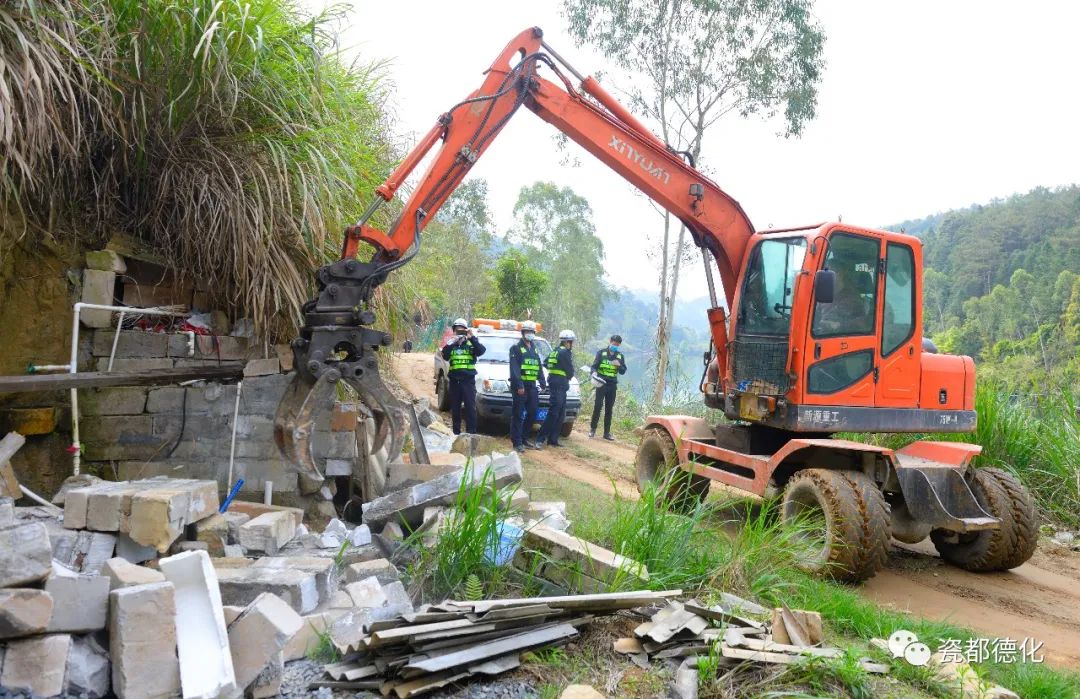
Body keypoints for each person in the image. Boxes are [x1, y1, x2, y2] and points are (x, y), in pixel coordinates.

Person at [440, 318, 485, 435]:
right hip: (455, 381)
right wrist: (453, 341)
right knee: (455, 409)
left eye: (462, 331)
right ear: (454, 331)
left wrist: (472, 337)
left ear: (466, 331)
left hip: (468, 381)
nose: (459, 333)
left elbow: (481, 351)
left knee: (470, 408)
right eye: (457, 331)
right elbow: (445, 355)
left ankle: (471, 434)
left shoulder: (471, 343)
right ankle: (456, 433)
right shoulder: (451, 343)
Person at [509, 320, 546, 453]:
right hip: (520, 387)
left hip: (532, 387)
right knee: (518, 414)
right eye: (527, 332)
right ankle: (517, 442)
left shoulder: (534, 347)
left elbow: (538, 366)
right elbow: (515, 369)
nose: (529, 334)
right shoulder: (516, 348)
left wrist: (542, 382)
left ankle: (524, 437)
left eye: (531, 332)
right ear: (523, 333)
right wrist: (519, 385)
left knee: (532, 412)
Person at [536, 329, 575, 448]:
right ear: (568, 342)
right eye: (572, 342)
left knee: (561, 413)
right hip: (559, 385)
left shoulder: (555, 351)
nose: (572, 344)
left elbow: (546, 363)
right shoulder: (565, 353)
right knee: (554, 413)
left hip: (557, 384)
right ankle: (540, 439)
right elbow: (570, 371)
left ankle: (553, 440)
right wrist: (565, 375)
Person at [590, 334, 627, 440]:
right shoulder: (601, 353)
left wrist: (619, 365)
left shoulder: (620, 356)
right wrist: (594, 373)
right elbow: (594, 367)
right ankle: (592, 430)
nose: (615, 345)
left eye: (617, 345)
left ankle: (606, 433)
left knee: (609, 409)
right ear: (610, 341)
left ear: (619, 345)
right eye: (614, 343)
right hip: (601, 383)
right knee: (597, 406)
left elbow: (623, 371)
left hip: (612, 385)